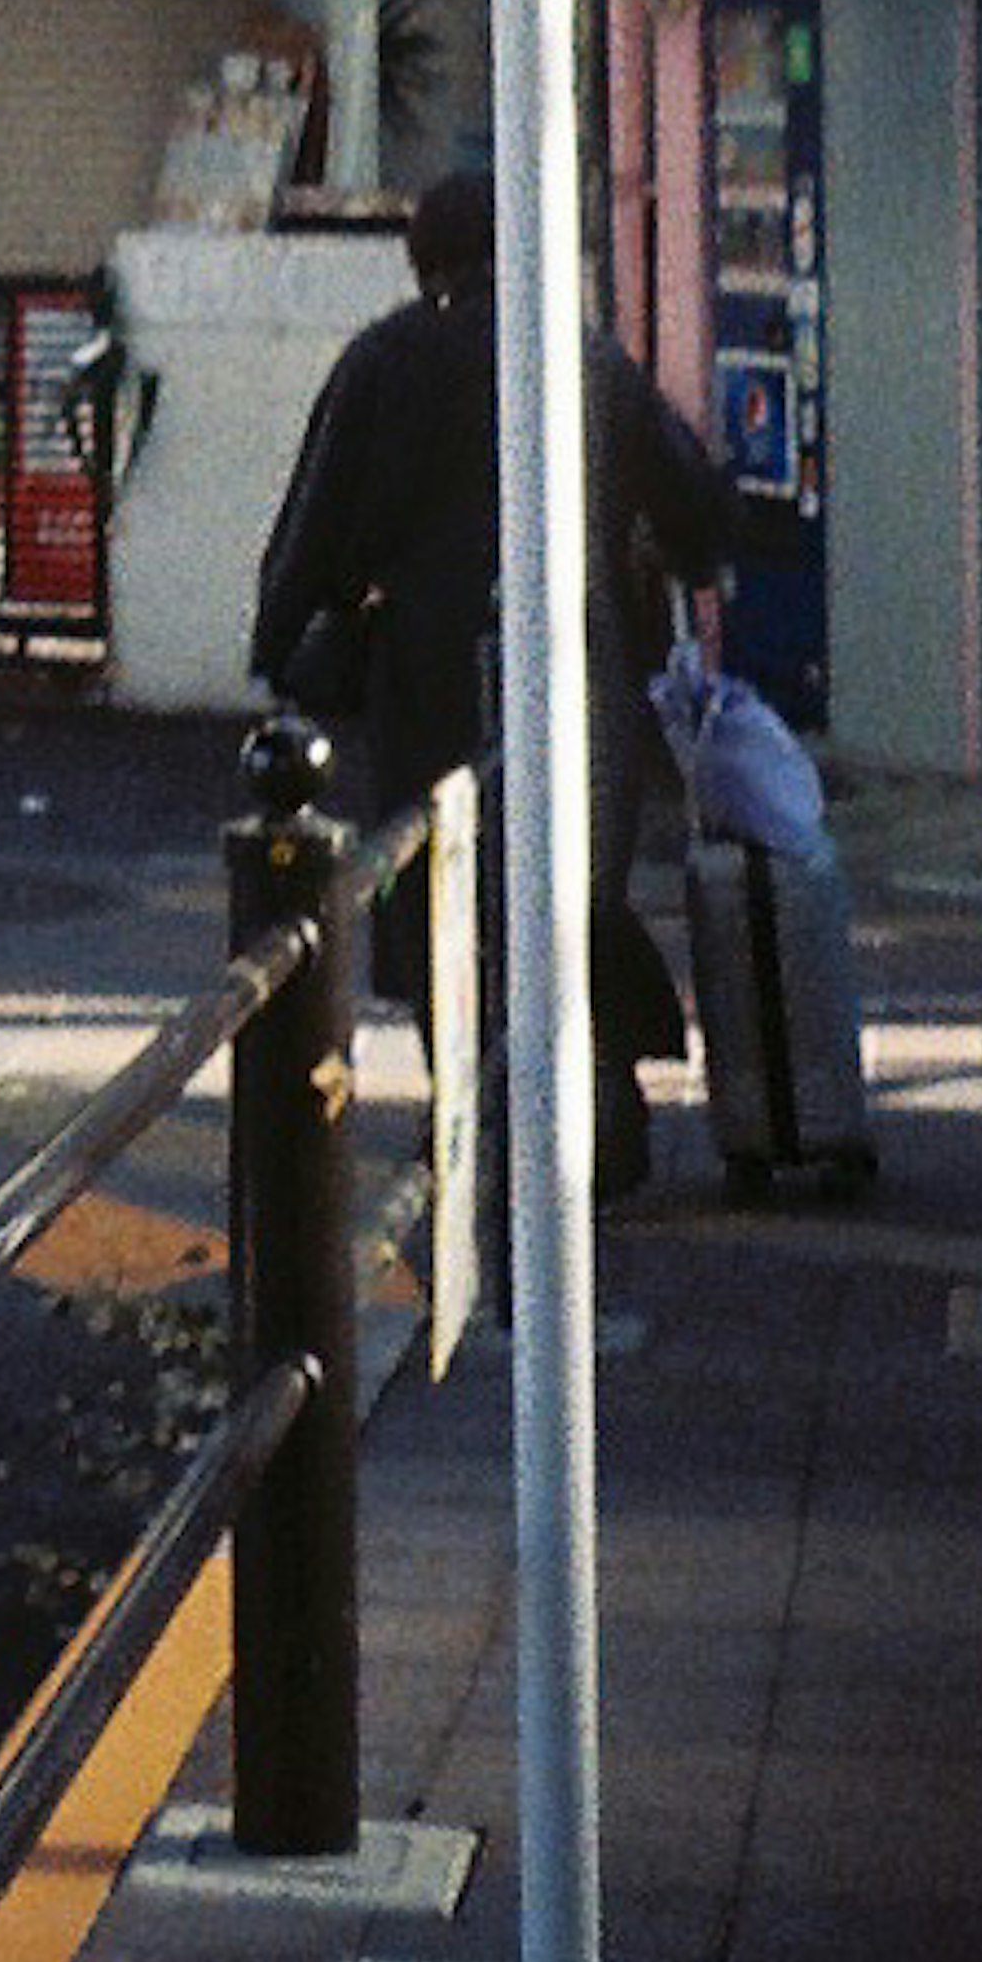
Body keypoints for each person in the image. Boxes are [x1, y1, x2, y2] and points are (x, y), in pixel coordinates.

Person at [250, 164, 735, 1200]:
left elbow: (315, 529)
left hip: (428, 679)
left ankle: (472, 1117)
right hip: (580, 672)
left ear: (425, 251)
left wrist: (286, 644)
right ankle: (595, 1117)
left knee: (442, 899)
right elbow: (694, 505)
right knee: (569, 895)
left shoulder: (385, 359)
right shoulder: (584, 358)